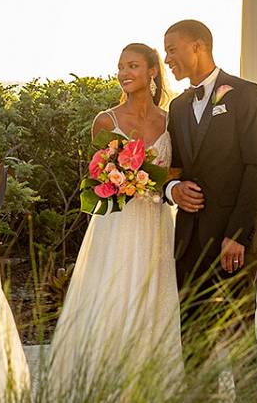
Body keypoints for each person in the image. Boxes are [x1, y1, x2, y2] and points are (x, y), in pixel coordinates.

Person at [45, 43, 183, 399]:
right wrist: (121, 178)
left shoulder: (171, 121)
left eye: (133, 65)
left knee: (154, 297)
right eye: (121, 66)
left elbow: (176, 173)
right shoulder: (106, 121)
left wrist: (150, 182)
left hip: (156, 222)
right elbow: (97, 176)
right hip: (117, 224)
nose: (124, 73)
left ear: (152, 71)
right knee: (114, 293)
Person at [162, 19, 257, 397]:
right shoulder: (176, 107)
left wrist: (237, 235)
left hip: (234, 242)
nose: (167, 58)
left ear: (198, 46)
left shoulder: (246, 95)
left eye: (172, 49)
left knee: (239, 336)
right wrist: (173, 189)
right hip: (188, 242)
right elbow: (172, 167)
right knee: (193, 339)